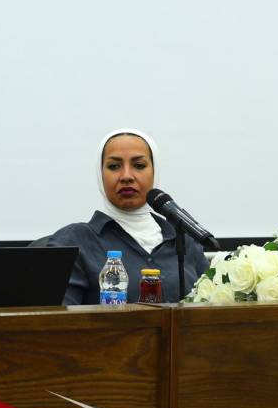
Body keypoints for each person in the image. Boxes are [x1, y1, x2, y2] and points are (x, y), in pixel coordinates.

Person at [37, 128, 209, 304]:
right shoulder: (74, 241)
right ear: (100, 174)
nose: (126, 176)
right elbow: (58, 316)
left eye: (139, 165)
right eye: (114, 166)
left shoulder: (183, 239)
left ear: (154, 171)